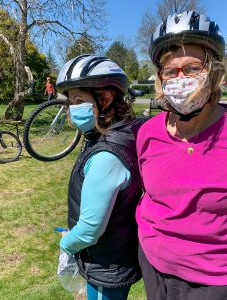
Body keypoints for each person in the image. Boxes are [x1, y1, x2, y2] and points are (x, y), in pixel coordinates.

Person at [136, 11, 227, 300]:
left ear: (212, 72)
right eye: (170, 70)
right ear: (160, 78)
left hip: (217, 278)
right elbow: (149, 191)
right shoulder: (148, 133)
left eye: (192, 69)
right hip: (154, 263)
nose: (180, 78)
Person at [56, 55, 143, 300]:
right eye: (70, 101)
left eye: (79, 100)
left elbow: (88, 231)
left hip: (107, 264)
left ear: (104, 99)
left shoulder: (106, 155)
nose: (72, 108)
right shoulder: (120, 133)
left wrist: (66, 244)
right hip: (116, 253)